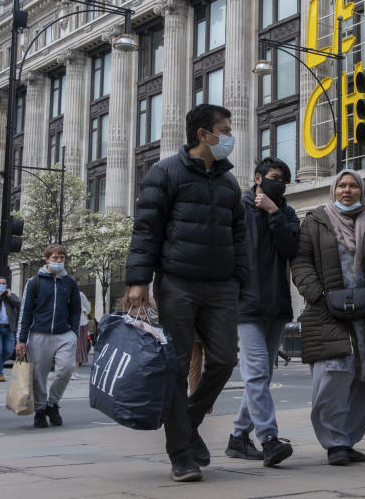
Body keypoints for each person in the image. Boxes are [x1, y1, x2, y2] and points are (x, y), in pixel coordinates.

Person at [124, 104, 248, 482]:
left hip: (221, 285)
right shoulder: (164, 172)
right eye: (224, 130)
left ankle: (188, 424)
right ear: (203, 134)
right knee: (177, 368)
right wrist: (139, 280)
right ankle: (181, 454)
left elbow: (239, 235)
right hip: (178, 282)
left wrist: (240, 277)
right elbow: (147, 230)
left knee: (225, 361)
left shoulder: (229, 182)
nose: (230, 136)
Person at [291, 169, 365, 466]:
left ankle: (347, 440)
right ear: (333, 189)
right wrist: (317, 295)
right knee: (332, 378)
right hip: (328, 313)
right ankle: (334, 442)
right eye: (342, 185)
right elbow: (300, 262)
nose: (347, 190)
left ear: (362, 192)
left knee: (364, 379)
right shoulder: (314, 222)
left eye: (353, 186)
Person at [226, 156, 300, 467]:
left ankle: (238, 437)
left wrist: (273, 213)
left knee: (263, 376)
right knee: (256, 373)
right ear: (258, 178)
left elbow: (292, 249)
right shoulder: (238, 208)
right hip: (245, 304)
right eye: (273, 176)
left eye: (283, 178)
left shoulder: (287, 212)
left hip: (276, 303)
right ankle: (268, 439)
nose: (278, 182)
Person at [15, 244, 82, 427]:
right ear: (46, 259)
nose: (59, 261)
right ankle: (40, 410)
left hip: (64, 334)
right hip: (38, 335)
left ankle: (53, 403)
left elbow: (76, 310)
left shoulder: (70, 283)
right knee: (38, 376)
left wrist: (74, 332)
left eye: (62, 258)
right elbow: (25, 312)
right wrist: (21, 339)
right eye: (55, 258)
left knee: (66, 369)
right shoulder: (34, 282)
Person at [0, 275, 21, 382]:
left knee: (8, 351)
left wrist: (10, 296)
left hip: (9, 328)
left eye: (3, 283)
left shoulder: (11, 296)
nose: (1, 285)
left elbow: (20, 305)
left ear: (7, 285)